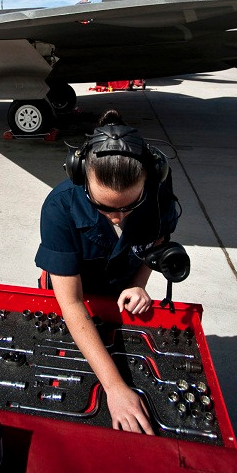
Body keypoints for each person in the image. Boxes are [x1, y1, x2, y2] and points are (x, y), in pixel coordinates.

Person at [35, 109, 181, 434]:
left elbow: (157, 241)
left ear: (150, 177)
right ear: (81, 176)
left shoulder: (159, 197)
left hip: (117, 292)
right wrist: (115, 388)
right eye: (104, 206)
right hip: (73, 294)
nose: (117, 217)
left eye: (130, 205)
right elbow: (71, 303)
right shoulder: (59, 207)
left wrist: (139, 283)